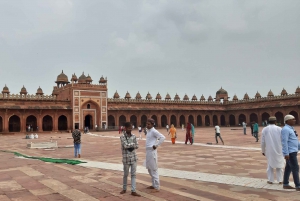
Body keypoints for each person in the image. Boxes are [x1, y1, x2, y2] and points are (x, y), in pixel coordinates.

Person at [119, 122, 141, 197]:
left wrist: (131, 146)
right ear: (125, 128)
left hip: (134, 158)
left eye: (131, 128)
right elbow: (125, 146)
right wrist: (132, 145)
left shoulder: (134, 136)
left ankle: (133, 190)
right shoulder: (122, 137)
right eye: (129, 128)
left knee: (133, 175)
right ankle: (124, 188)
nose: (130, 129)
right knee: (125, 174)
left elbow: (137, 145)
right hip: (126, 159)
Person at [261, 116, 284, 184]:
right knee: (279, 164)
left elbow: (262, 142)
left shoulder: (265, 129)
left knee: (270, 164)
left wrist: (263, 150)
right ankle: (280, 180)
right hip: (279, 149)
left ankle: (271, 180)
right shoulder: (280, 129)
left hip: (269, 149)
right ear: (275, 121)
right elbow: (283, 140)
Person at [145, 118, 165, 192]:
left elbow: (162, 137)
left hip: (152, 151)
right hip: (148, 151)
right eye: (147, 124)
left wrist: (156, 145)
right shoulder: (149, 131)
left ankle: (157, 186)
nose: (147, 125)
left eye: (149, 124)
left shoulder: (154, 131)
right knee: (149, 168)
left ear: (152, 124)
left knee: (154, 169)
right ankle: (153, 184)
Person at [281, 115, 300, 190]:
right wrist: (286, 153)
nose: (294, 120)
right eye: (293, 119)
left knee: (288, 168)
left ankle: (285, 183)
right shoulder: (285, 129)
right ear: (287, 121)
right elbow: (284, 142)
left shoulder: (291, 129)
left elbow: (295, 140)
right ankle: (298, 185)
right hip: (290, 152)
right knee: (295, 168)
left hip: (293, 151)